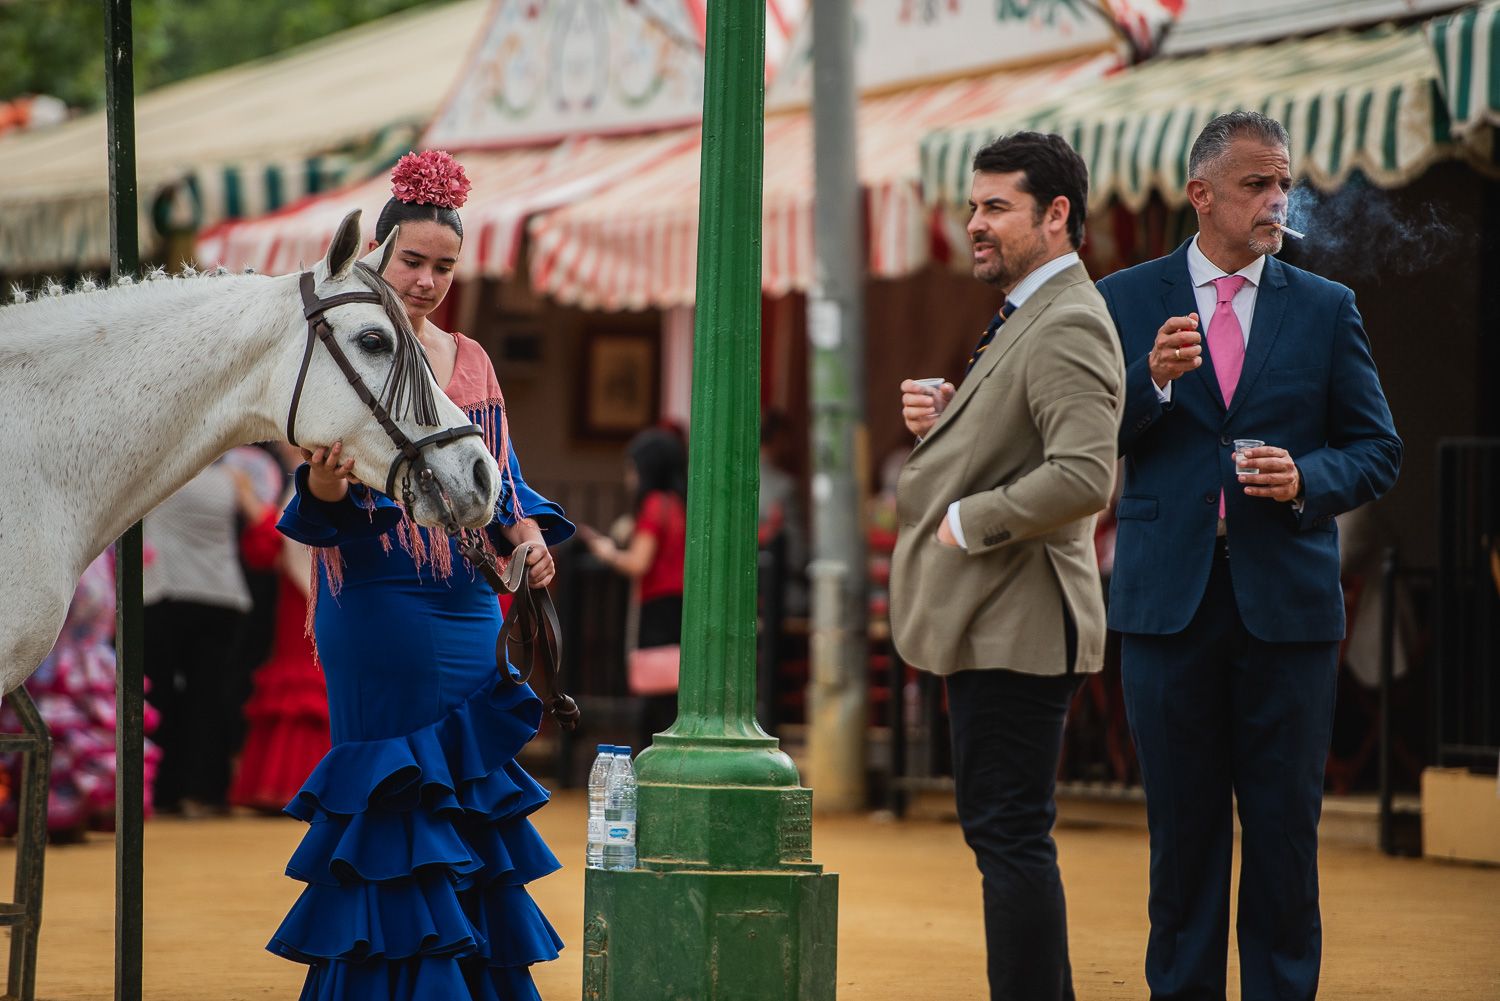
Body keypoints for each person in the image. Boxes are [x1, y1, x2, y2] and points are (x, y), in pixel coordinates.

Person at [1096, 111, 1401, 1001]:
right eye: (1256, 184)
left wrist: (1305, 475)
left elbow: (1377, 449)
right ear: (1201, 194)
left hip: (1288, 610)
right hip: (1167, 607)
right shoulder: (1124, 299)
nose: (1277, 201)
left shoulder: (1326, 306)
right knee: (1182, 839)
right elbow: (1084, 436)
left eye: (1284, 184)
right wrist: (1151, 381)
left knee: (1283, 838)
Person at [267, 150, 572, 1001]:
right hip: (375, 597)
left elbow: (500, 479)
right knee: (393, 799)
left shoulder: (471, 358)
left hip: (469, 603)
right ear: (378, 250)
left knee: (469, 798)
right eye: (413, 261)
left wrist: (527, 538)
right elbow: (316, 492)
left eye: (445, 266)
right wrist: (327, 483)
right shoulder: (344, 342)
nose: (428, 281)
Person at [889, 131, 1125, 1001]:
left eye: (997, 207)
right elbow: (1027, 438)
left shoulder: (1067, 319)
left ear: (1056, 215)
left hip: (1019, 623)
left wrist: (966, 519)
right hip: (999, 621)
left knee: (1010, 835)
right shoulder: (1033, 311)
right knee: (1006, 833)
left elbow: (1084, 475)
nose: (975, 224)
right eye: (973, 206)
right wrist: (953, 418)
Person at [142, 450, 265, 816]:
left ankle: (160, 790)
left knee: (158, 693)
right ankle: (203, 792)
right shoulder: (231, 477)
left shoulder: (161, 471)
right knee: (209, 697)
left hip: (168, 590)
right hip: (224, 595)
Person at [227, 444, 330, 813]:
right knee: (300, 683)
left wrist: (250, 502)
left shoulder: (306, 482)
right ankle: (294, 783)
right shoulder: (291, 482)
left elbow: (279, 538)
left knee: (308, 683)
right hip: (296, 599)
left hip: (310, 597)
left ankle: (304, 782)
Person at [581, 427, 688, 740]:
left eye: (632, 469)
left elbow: (638, 562)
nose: (629, 479)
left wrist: (607, 552)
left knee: (654, 698)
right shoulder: (679, 504)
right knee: (672, 693)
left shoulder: (654, 504)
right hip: (678, 604)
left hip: (658, 607)